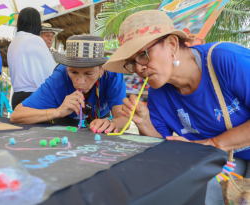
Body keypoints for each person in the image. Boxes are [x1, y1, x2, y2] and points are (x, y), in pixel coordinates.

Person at [104, 10, 250, 205]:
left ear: (172, 44)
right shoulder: (158, 92)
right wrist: (145, 123)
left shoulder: (226, 59)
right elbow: (164, 149)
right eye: (132, 62)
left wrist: (210, 144)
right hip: (227, 158)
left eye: (142, 55)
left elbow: (205, 147)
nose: (139, 68)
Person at [11, 35, 128, 133]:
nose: (80, 81)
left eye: (88, 73)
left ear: (101, 70)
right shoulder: (58, 79)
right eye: (74, 72)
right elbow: (16, 115)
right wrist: (57, 112)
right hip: (66, 118)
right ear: (66, 68)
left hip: (101, 116)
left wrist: (111, 123)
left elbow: (124, 119)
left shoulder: (112, 75)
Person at [7, 7, 56, 110]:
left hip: (17, 97)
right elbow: (51, 74)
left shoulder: (13, 43)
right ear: (36, 23)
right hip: (33, 98)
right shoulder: (35, 40)